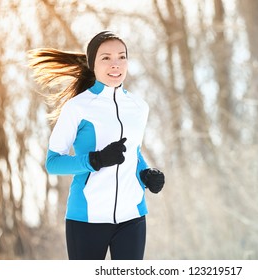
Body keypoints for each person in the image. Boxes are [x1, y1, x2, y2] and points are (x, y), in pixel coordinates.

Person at [28, 31, 165, 260]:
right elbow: (53, 163)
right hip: (86, 219)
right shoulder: (77, 107)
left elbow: (134, 153)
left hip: (132, 217)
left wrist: (146, 174)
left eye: (122, 57)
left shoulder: (139, 106)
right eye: (106, 58)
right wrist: (95, 160)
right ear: (93, 64)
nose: (116, 64)